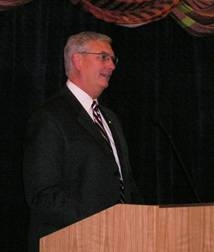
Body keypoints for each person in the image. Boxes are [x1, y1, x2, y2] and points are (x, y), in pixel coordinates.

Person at [23, 31, 143, 252]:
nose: (112, 66)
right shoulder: (50, 116)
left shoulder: (110, 118)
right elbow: (43, 194)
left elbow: (126, 183)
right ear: (77, 59)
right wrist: (101, 222)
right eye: (103, 57)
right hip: (71, 242)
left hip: (120, 240)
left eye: (113, 59)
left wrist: (137, 221)